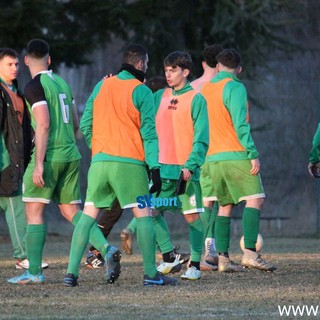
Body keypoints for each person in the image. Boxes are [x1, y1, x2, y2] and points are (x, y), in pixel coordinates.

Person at [64, 43, 177, 287]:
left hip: (99, 164)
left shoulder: (102, 84)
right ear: (139, 64)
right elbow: (149, 133)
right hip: (130, 165)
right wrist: (155, 167)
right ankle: (150, 274)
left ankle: (71, 274)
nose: (146, 69)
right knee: (144, 214)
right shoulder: (142, 90)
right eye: (145, 65)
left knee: (87, 217)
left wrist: (101, 147)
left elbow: (85, 123)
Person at [7, 39, 106, 284]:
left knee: (33, 210)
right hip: (72, 155)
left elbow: (43, 123)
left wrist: (39, 164)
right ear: (49, 60)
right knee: (71, 211)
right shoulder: (62, 82)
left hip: (50, 156)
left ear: (27, 60)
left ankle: (34, 273)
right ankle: (107, 249)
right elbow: (74, 123)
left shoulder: (34, 86)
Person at [200, 48, 276, 272]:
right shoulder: (235, 86)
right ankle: (250, 254)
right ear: (239, 69)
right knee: (256, 199)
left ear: (217, 66)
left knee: (225, 205)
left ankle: (223, 259)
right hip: (234, 154)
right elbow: (240, 124)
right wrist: (252, 153)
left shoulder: (205, 89)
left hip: (211, 158)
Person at [151, 51, 209, 281]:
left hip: (185, 172)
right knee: (150, 209)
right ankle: (168, 257)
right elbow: (135, 101)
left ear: (185, 72)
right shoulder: (158, 96)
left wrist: (191, 164)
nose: (168, 74)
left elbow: (202, 137)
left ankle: (194, 264)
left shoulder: (197, 99)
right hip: (161, 170)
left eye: (173, 70)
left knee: (191, 216)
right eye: (166, 70)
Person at [0, 48, 48, 270]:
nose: (15, 68)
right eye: (10, 64)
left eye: (17, 64)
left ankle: (24, 255)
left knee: (17, 206)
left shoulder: (18, 92)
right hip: (5, 163)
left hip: (17, 161)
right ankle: (23, 256)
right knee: (16, 207)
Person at [191, 44, 223, 271]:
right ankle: (211, 248)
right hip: (219, 150)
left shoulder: (192, 87)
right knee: (218, 202)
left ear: (203, 63)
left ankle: (206, 248)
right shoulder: (225, 87)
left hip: (194, 151)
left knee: (201, 203)